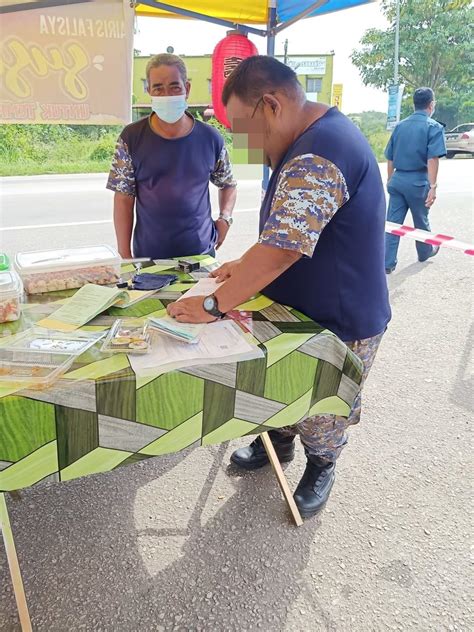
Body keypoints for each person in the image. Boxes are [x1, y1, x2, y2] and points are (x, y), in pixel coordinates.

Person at [167, 56, 391, 520]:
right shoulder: (308, 138)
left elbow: (284, 250)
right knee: (284, 386)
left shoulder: (319, 152)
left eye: (244, 129)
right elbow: (280, 234)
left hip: (341, 316)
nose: (245, 145)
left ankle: (322, 465)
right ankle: (279, 442)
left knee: (324, 404)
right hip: (300, 306)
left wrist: (213, 304)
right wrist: (241, 264)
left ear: (271, 105)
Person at [106, 53, 237, 260]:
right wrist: (125, 255)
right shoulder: (131, 138)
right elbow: (123, 199)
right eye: (158, 87)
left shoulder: (210, 138)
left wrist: (225, 218)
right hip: (150, 258)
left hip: (200, 256)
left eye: (174, 87)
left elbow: (228, 184)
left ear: (187, 89)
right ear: (149, 91)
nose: (166, 94)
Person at [384, 87, 447, 273]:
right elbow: (432, 158)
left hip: (398, 179)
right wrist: (433, 186)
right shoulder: (433, 127)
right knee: (421, 220)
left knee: (393, 224)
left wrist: (390, 180)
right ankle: (425, 252)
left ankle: (387, 263)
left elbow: (390, 157)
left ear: (414, 104)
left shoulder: (400, 126)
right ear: (431, 104)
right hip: (418, 181)